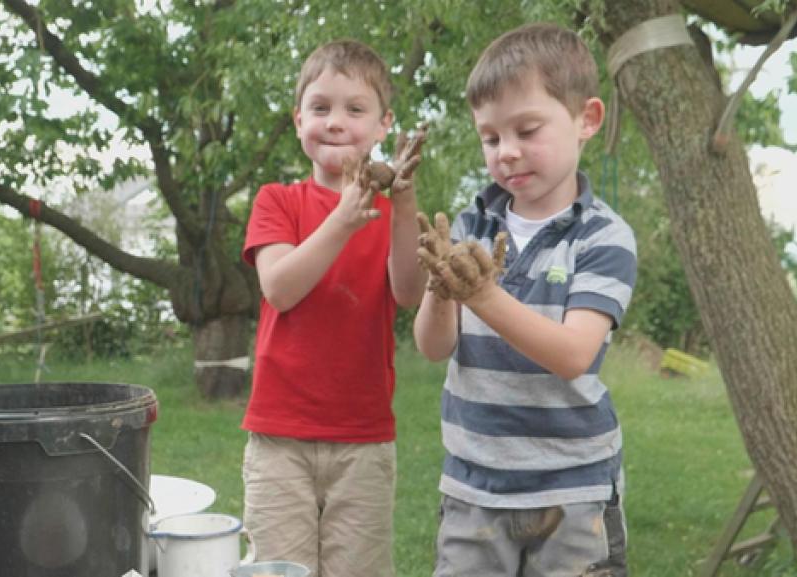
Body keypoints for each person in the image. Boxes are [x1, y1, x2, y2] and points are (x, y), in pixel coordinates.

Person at [413, 23, 637, 577]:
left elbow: (573, 355)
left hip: (573, 487)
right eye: (490, 138)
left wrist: (481, 294)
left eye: (527, 129)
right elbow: (433, 347)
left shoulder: (603, 237)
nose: (507, 152)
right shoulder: (470, 224)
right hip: (473, 484)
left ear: (587, 119)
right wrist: (442, 293)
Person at [240, 39, 426, 577]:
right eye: (320, 108)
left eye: (355, 109)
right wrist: (344, 219)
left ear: (383, 124)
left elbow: (410, 292)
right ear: (299, 120)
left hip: (363, 439)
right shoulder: (277, 200)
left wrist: (406, 201)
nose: (336, 122)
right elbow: (280, 287)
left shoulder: (395, 210)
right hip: (279, 438)